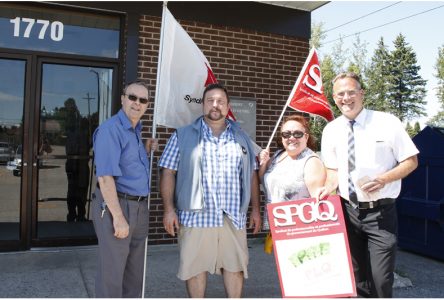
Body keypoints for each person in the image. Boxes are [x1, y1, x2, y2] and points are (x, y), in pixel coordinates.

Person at [317, 72, 419, 298]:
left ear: (361, 93)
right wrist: (327, 187)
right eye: (340, 94)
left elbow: (411, 161)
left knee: (381, 281)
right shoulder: (331, 130)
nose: (346, 98)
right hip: (348, 213)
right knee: (357, 280)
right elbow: (333, 171)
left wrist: (383, 179)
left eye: (351, 92)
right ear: (334, 98)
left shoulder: (386, 122)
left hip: (381, 215)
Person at [159, 83, 261, 298]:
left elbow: (252, 174)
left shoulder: (242, 137)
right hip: (196, 216)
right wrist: (169, 210)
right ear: (203, 105)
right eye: (210, 100)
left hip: (233, 216)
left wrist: (255, 210)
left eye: (220, 101)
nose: (215, 105)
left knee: (235, 267)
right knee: (195, 269)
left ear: (228, 106)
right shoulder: (182, 135)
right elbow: (168, 172)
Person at [92, 80, 157, 297]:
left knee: (134, 273)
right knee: (112, 274)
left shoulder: (135, 131)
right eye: (132, 97)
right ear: (122, 99)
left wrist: (145, 149)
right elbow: (105, 176)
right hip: (118, 206)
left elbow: (127, 165)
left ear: (147, 105)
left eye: (143, 100)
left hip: (138, 207)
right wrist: (118, 216)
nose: (137, 103)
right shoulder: (111, 129)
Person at [258, 115, 326, 232]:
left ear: (306, 137)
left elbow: (318, 203)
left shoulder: (311, 161)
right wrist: (263, 164)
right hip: (277, 224)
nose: (292, 137)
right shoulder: (278, 155)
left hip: (299, 229)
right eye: (286, 134)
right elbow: (262, 180)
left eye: (297, 134)